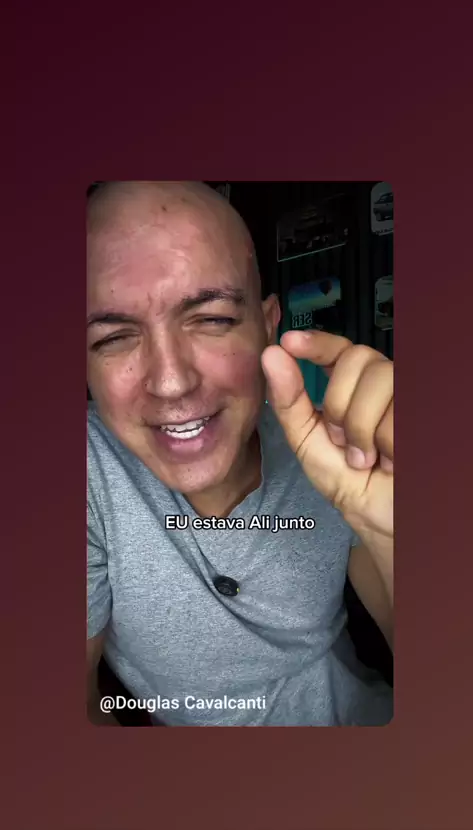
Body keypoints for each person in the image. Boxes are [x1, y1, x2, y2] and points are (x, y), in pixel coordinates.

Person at [87, 181, 394, 726]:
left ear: (268, 326)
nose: (171, 382)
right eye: (114, 337)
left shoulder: (333, 442)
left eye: (213, 319)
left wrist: (400, 529)